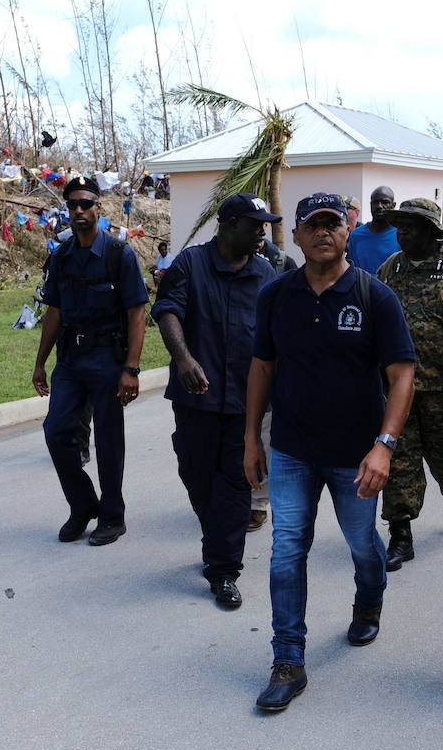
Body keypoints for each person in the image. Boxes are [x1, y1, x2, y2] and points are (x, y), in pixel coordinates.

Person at [245, 192, 416, 712]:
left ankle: (369, 600)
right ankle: (288, 659)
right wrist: (251, 437)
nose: (323, 232)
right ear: (295, 236)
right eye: (311, 225)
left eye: (332, 224)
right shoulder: (276, 297)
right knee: (286, 549)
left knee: (363, 543)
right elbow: (262, 369)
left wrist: (384, 446)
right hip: (293, 449)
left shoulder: (374, 296)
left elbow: (402, 373)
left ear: (348, 232)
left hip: (355, 454)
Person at [152, 193, 277, 609]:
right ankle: (216, 537)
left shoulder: (265, 273)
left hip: (246, 403)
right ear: (228, 224)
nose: (263, 231)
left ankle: (224, 571)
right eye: (255, 224)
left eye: (265, 224)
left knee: (238, 482)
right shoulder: (190, 263)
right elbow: (166, 310)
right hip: (197, 399)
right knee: (196, 473)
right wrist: (183, 358)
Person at [32, 176, 149, 546]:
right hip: (71, 360)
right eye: (73, 205)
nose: (79, 211)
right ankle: (83, 504)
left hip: (108, 360)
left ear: (99, 208)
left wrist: (131, 368)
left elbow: (137, 314)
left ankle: (113, 516)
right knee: (56, 432)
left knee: (109, 440)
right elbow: (53, 311)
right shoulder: (61, 256)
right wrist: (40, 363)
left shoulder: (119, 254)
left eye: (86, 204)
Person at [374, 198, 443, 570]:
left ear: (430, 231)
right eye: (399, 227)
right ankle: (401, 535)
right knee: (399, 460)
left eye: (410, 228)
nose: (401, 234)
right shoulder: (390, 269)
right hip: (398, 387)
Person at [346, 185, 399, 274]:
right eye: (375, 202)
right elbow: (352, 270)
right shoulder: (356, 235)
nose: (379, 206)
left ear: (393, 205)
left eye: (385, 202)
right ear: (370, 204)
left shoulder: (401, 235)